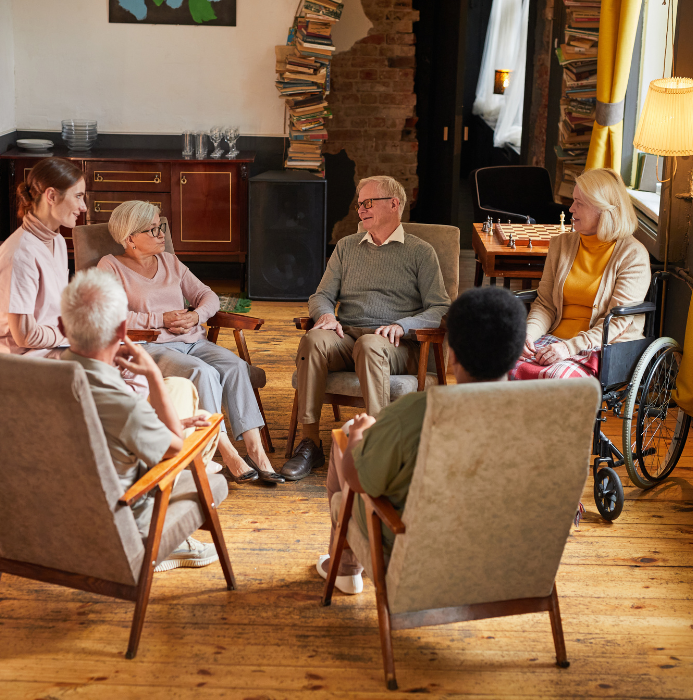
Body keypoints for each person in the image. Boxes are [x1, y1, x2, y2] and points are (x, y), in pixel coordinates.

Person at [317, 287, 527, 594]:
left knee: (347, 435)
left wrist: (358, 436)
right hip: (504, 565)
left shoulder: (416, 412)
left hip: (414, 563)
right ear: (519, 351)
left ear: (451, 352)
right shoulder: (540, 415)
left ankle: (346, 566)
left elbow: (358, 480)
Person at [96, 200, 284, 485]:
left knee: (235, 366)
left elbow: (208, 296)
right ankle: (226, 451)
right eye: (152, 229)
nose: (161, 234)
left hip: (192, 341)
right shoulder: (110, 266)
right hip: (150, 347)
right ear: (130, 238)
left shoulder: (170, 262)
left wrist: (195, 316)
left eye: (160, 227)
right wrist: (160, 319)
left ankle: (257, 453)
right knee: (203, 372)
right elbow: (112, 316)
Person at [283, 175, 450, 481]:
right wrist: (325, 315)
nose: (360, 209)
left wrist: (403, 325)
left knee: (371, 344)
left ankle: (379, 444)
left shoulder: (420, 252)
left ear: (394, 204)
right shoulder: (347, 247)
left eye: (368, 202)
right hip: (347, 338)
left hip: (396, 346)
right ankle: (310, 443)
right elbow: (321, 295)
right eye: (359, 203)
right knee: (313, 340)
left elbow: (441, 307)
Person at [59, 268, 221, 572]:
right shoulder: (123, 404)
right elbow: (174, 450)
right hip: (127, 522)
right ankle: (168, 544)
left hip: (59, 512)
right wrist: (154, 377)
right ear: (123, 331)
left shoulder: (39, 377)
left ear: (61, 325)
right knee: (206, 437)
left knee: (183, 393)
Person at [511, 168, 651, 380]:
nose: (570, 208)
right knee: (497, 363)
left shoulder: (633, 255)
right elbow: (546, 304)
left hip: (600, 347)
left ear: (603, 210)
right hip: (553, 340)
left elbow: (616, 323)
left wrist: (569, 347)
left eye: (579, 203)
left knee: (556, 379)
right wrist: (528, 335)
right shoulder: (561, 245)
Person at [0, 157, 86, 357]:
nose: (83, 207)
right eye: (78, 196)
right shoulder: (19, 255)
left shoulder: (58, 241)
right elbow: (26, 336)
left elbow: (53, 311)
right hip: (24, 359)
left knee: (128, 365)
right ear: (52, 196)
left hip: (54, 347)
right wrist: (74, 335)